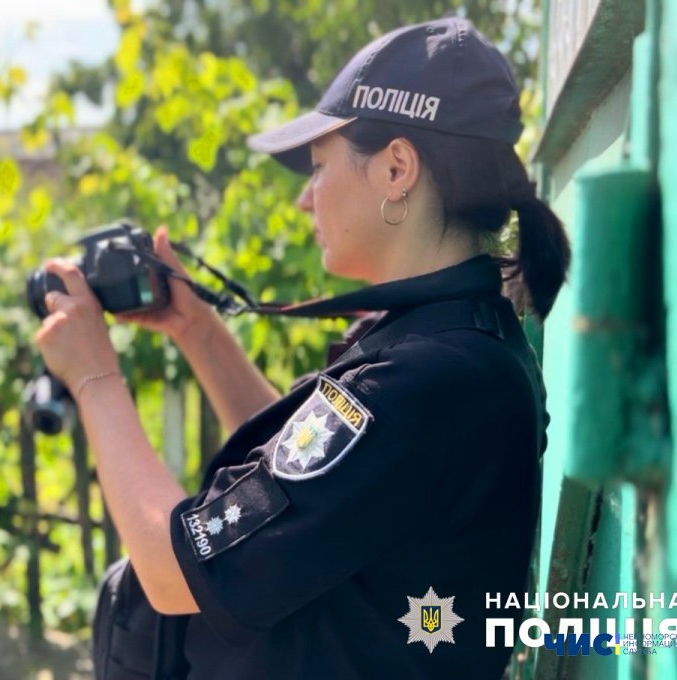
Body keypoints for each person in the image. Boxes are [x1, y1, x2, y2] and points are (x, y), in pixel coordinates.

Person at [33, 16, 569, 679]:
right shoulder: (452, 337)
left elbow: (175, 574)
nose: (304, 201)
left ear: (397, 168)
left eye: (318, 168)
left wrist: (93, 379)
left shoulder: (422, 380)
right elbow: (307, 483)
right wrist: (196, 330)